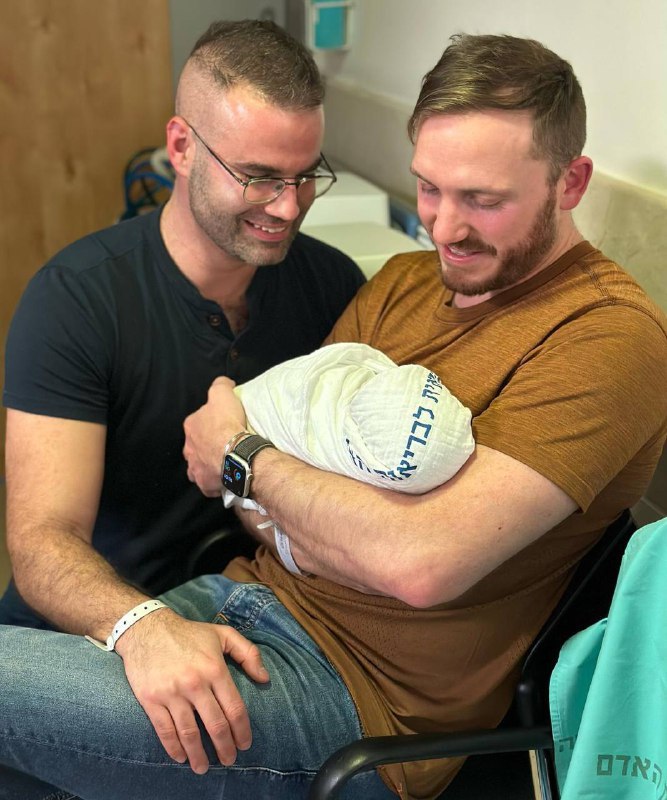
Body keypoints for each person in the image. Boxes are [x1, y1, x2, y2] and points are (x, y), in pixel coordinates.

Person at [1, 32, 666, 800]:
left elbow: (416, 567)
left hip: (354, 700)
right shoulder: (403, 284)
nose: (443, 228)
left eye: (483, 200)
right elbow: (257, 518)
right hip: (230, 604)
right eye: (428, 188)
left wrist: (245, 457)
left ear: (569, 182)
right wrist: (351, 526)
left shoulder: (608, 337)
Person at [0, 20, 364, 631]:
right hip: (94, 622)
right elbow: (42, 544)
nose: (287, 206)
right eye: (258, 177)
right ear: (182, 147)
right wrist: (145, 628)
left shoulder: (334, 286)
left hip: (245, 611)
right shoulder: (76, 299)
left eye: (305, 176)